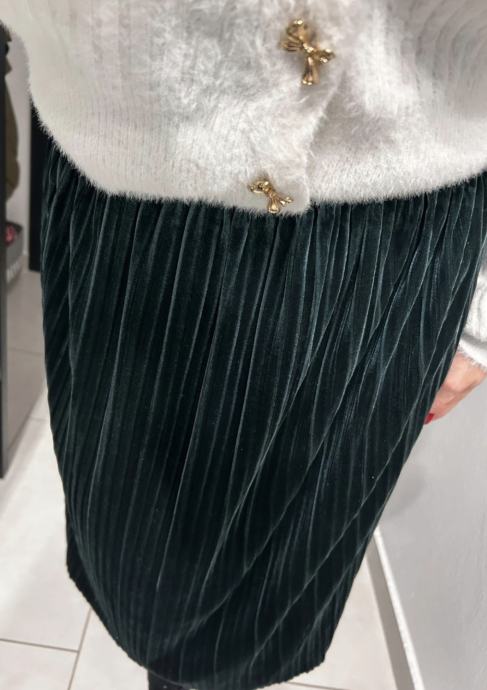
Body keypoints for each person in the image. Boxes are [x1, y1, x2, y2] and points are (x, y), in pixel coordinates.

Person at [1, 3, 486, 690]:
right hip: (120, 193)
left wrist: (479, 321)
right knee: (138, 574)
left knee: (261, 606)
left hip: (388, 235)